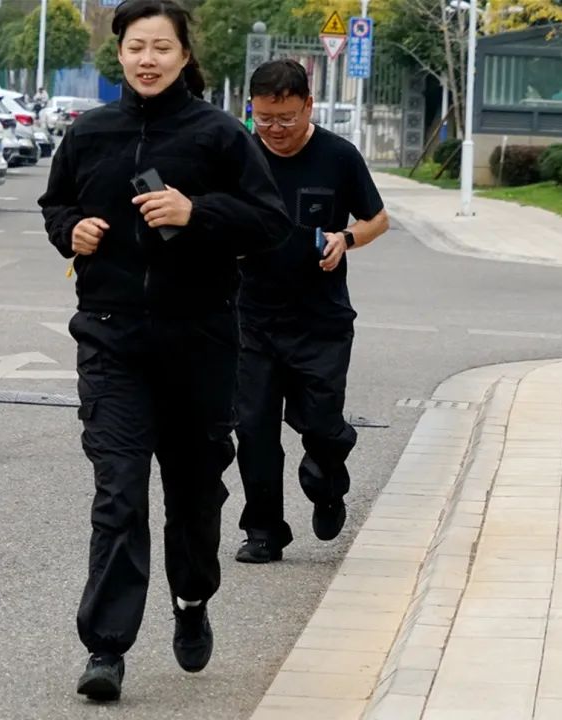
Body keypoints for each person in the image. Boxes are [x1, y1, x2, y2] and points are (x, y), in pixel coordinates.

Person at [38, 0, 291, 702]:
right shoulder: (91, 133)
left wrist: (195, 212)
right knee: (118, 493)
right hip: (111, 337)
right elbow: (54, 206)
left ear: (184, 56)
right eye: (135, 47)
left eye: (161, 47)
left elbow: (270, 221)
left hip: (199, 341)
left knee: (193, 494)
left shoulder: (217, 136)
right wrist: (72, 231)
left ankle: (191, 598)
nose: (147, 59)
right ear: (118, 54)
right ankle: (105, 648)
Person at [234, 59, 390, 564]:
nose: (275, 131)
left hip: (320, 320)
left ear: (308, 107)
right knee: (253, 428)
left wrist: (346, 238)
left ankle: (326, 481)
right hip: (250, 318)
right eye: (264, 119)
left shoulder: (338, 157)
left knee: (321, 424)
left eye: (286, 119)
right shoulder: (239, 155)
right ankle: (264, 529)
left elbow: (377, 219)